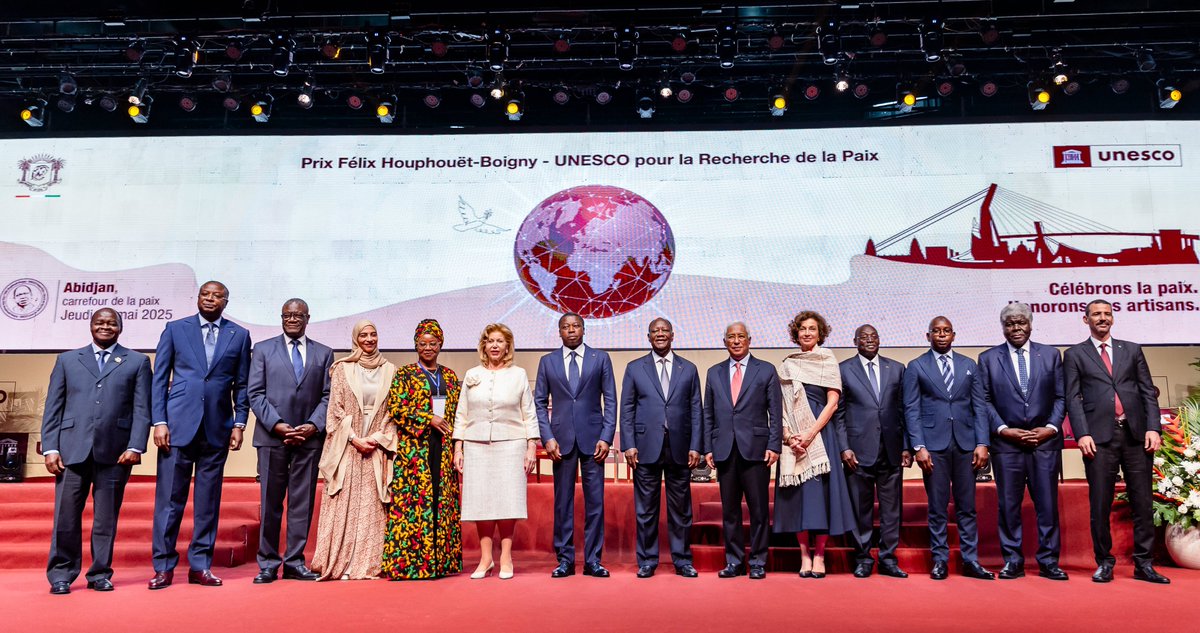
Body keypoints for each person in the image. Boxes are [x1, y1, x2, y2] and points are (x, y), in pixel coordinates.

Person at [149, 281, 251, 590]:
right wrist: (159, 421)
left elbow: (242, 385)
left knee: (208, 503)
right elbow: (159, 378)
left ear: (226, 301)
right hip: (177, 427)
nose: (209, 299)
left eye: (216, 295)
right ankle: (163, 567)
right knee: (169, 501)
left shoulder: (240, 335)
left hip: (217, 428)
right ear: (197, 298)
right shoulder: (175, 329)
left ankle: (200, 566)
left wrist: (239, 423)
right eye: (205, 294)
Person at [42, 308, 151, 594]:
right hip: (70, 451)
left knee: (106, 519)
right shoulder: (67, 360)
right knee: (65, 518)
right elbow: (53, 407)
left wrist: (136, 445)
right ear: (91, 326)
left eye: (111, 323)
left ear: (120, 328)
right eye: (100, 322)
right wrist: (50, 447)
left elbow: (142, 409)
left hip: (116, 453)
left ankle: (100, 573)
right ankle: (61, 575)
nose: (106, 327)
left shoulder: (137, 361)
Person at [1063, 299, 1169, 584]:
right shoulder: (1074, 354)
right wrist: (1081, 433)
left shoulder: (1131, 349)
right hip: (1098, 438)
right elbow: (1072, 398)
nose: (1102, 318)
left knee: (1143, 502)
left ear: (1113, 318)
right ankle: (1104, 562)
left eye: (1107, 314)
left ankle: (1144, 564)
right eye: (1096, 314)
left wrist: (1153, 428)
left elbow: (1148, 392)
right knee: (1099, 504)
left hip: (1136, 435)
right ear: (1086, 320)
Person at [977, 303, 1068, 581]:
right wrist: (1004, 429)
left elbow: (1061, 397)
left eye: (1021, 323)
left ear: (1030, 324)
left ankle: (1049, 561)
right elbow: (985, 400)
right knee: (1008, 506)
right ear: (1003, 327)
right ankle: (1013, 560)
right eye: (1010, 324)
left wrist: (1050, 428)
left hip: (1045, 444)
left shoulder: (1051, 355)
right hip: (1007, 446)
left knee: (1047, 506)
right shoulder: (988, 359)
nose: (1016, 329)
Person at [247, 298, 333, 584]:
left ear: (308, 318)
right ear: (281, 317)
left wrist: (311, 425)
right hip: (273, 439)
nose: (292, 319)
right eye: (287, 315)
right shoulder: (262, 350)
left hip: (308, 441)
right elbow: (255, 394)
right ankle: (268, 563)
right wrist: (278, 425)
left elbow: (328, 396)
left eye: (298, 315)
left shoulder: (324, 353)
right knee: (270, 503)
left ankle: (295, 562)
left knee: (302, 503)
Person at [903, 316, 993, 581]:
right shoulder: (916, 366)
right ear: (927, 335)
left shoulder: (969, 365)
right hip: (933, 446)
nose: (941, 335)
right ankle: (940, 559)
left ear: (954, 335)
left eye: (946, 331)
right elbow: (911, 409)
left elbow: (979, 407)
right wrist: (918, 446)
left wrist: (982, 442)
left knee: (967, 506)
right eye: (936, 331)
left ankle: (971, 560)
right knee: (938, 506)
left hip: (966, 445)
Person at [310, 320, 396, 580]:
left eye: (373, 334)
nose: (369, 339)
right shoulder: (342, 369)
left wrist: (377, 437)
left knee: (372, 507)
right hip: (347, 446)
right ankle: (343, 564)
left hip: (376, 447)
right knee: (345, 504)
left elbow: (393, 413)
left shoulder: (391, 369)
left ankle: (368, 563)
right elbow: (334, 410)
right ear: (356, 339)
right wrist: (355, 438)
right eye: (364, 335)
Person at [453, 323, 539, 580]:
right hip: (476, 444)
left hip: (511, 444)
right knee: (481, 503)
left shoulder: (519, 374)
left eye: (500, 341)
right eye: (490, 340)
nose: (494, 345)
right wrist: (459, 447)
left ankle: (506, 558)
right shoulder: (472, 374)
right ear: (483, 345)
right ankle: (485, 559)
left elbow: (529, 412)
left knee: (507, 502)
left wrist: (531, 446)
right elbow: (462, 413)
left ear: (508, 346)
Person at [535, 312, 617, 578]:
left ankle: (593, 560)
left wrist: (606, 437)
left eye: (576, 326)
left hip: (594, 442)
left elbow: (611, 401)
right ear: (559, 332)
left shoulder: (600, 358)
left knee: (595, 504)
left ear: (584, 329)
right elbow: (539, 402)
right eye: (565, 327)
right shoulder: (547, 362)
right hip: (560, 442)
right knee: (563, 503)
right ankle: (565, 560)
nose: (571, 330)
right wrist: (547, 437)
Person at [619, 318, 702, 579]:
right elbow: (627, 408)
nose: (660, 334)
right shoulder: (635, 368)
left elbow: (696, 410)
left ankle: (682, 560)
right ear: (648, 337)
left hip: (679, 447)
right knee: (646, 509)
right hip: (645, 448)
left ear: (673, 335)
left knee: (681, 510)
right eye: (655, 331)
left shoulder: (688, 368)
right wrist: (628, 444)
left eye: (665, 330)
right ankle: (647, 560)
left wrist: (696, 445)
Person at [773, 311, 853, 579]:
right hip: (793, 441)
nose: (807, 333)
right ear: (796, 334)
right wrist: (789, 436)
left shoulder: (827, 359)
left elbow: (832, 403)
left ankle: (819, 555)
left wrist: (809, 435)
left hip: (820, 437)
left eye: (812, 329)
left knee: (822, 498)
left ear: (820, 334)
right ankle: (804, 555)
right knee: (799, 499)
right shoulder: (787, 364)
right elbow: (781, 405)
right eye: (802, 329)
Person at [382, 319, 462, 580]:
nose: (428, 348)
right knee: (416, 505)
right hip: (415, 450)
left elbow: (459, 410)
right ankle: (413, 566)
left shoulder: (449, 376)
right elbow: (396, 408)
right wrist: (428, 418)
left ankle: (441, 564)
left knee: (442, 502)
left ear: (441, 345)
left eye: (433, 343)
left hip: (444, 447)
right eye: (422, 343)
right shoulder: (405, 374)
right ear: (415, 345)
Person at [702, 322, 781, 580]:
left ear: (749, 339)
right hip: (724, 450)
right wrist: (708, 448)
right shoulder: (714, 373)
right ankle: (734, 561)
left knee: (759, 511)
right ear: (724, 341)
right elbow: (708, 414)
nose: (736, 341)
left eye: (741, 337)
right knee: (730, 512)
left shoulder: (766, 370)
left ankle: (757, 561)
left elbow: (776, 413)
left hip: (757, 451)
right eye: (731, 337)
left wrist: (774, 445)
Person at [835, 324, 911, 579]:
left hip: (891, 450)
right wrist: (844, 447)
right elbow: (839, 414)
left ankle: (889, 558)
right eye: (863, 337)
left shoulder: (897, 368)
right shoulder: (843, 369)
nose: (869, 340)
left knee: (892, 510)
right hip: (857, 451)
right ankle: (863, 558)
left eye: (873, 336)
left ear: (879, 339)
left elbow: (904, 411)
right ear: (854, 341)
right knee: (861, 508)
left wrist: (906, 446)